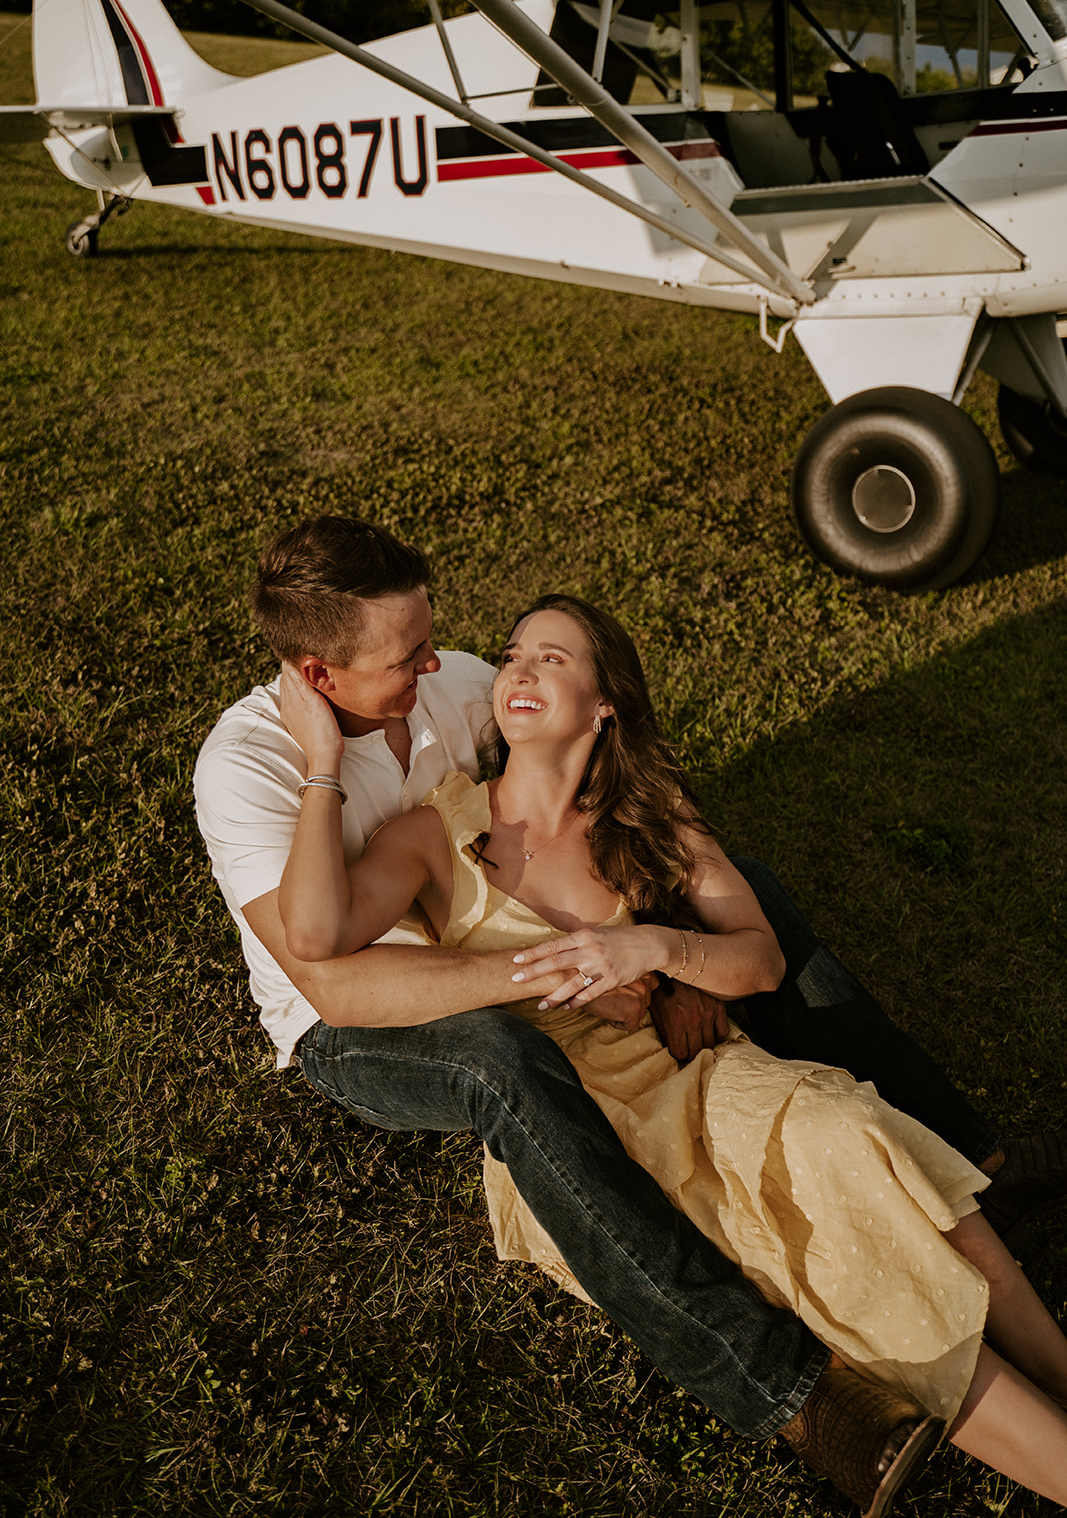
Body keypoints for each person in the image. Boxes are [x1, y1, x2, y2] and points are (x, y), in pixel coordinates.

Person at [194, 516, 1067, 1517]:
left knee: (811, 1040)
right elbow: (329, 974)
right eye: (408, 656)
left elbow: (578, 777)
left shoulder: (469, 691)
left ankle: (973, 1162)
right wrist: (562, 965)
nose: (456, 664)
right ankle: (782, 1389)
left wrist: (657, 945)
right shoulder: (259, 773)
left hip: (601, 1002)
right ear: (320, 674)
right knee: (496, 1061)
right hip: (353, 1019)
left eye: (520, 654)